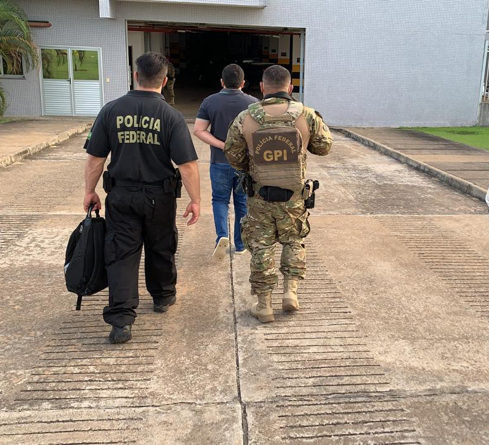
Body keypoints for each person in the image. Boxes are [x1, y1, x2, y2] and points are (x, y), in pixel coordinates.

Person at [83, 52, 201, 344]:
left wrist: (90, 191)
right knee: (161, 246)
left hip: (121, 195)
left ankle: (121, 320)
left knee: (121, 254)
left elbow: (96, 158)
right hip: (159, 196)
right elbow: (186, 165)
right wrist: (195, 199)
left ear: (135, 76)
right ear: (164, 81)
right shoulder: (171, 116)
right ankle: (162, 296)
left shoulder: (110, 111)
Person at [223, 65, 332, 323]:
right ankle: (290, 293)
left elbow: (233, 155)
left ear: (262, 87)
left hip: (259, 197)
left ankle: (264, 306)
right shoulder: (306, 115)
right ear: (290, 87)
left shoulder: (245, 117)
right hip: (294, 197)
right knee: (294, 241)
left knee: (261, 247)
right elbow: (324, 147)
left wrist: (252, 164)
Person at [193, 64, 259, 259]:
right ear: (243, 83)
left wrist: (223, 145)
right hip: (244, 164)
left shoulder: (210, 101)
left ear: (222, 82)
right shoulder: (253, 104)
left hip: (219, 162)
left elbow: (198, 130)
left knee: (220, 200)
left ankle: (221, 236)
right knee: (242, 202)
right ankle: (240, 243)